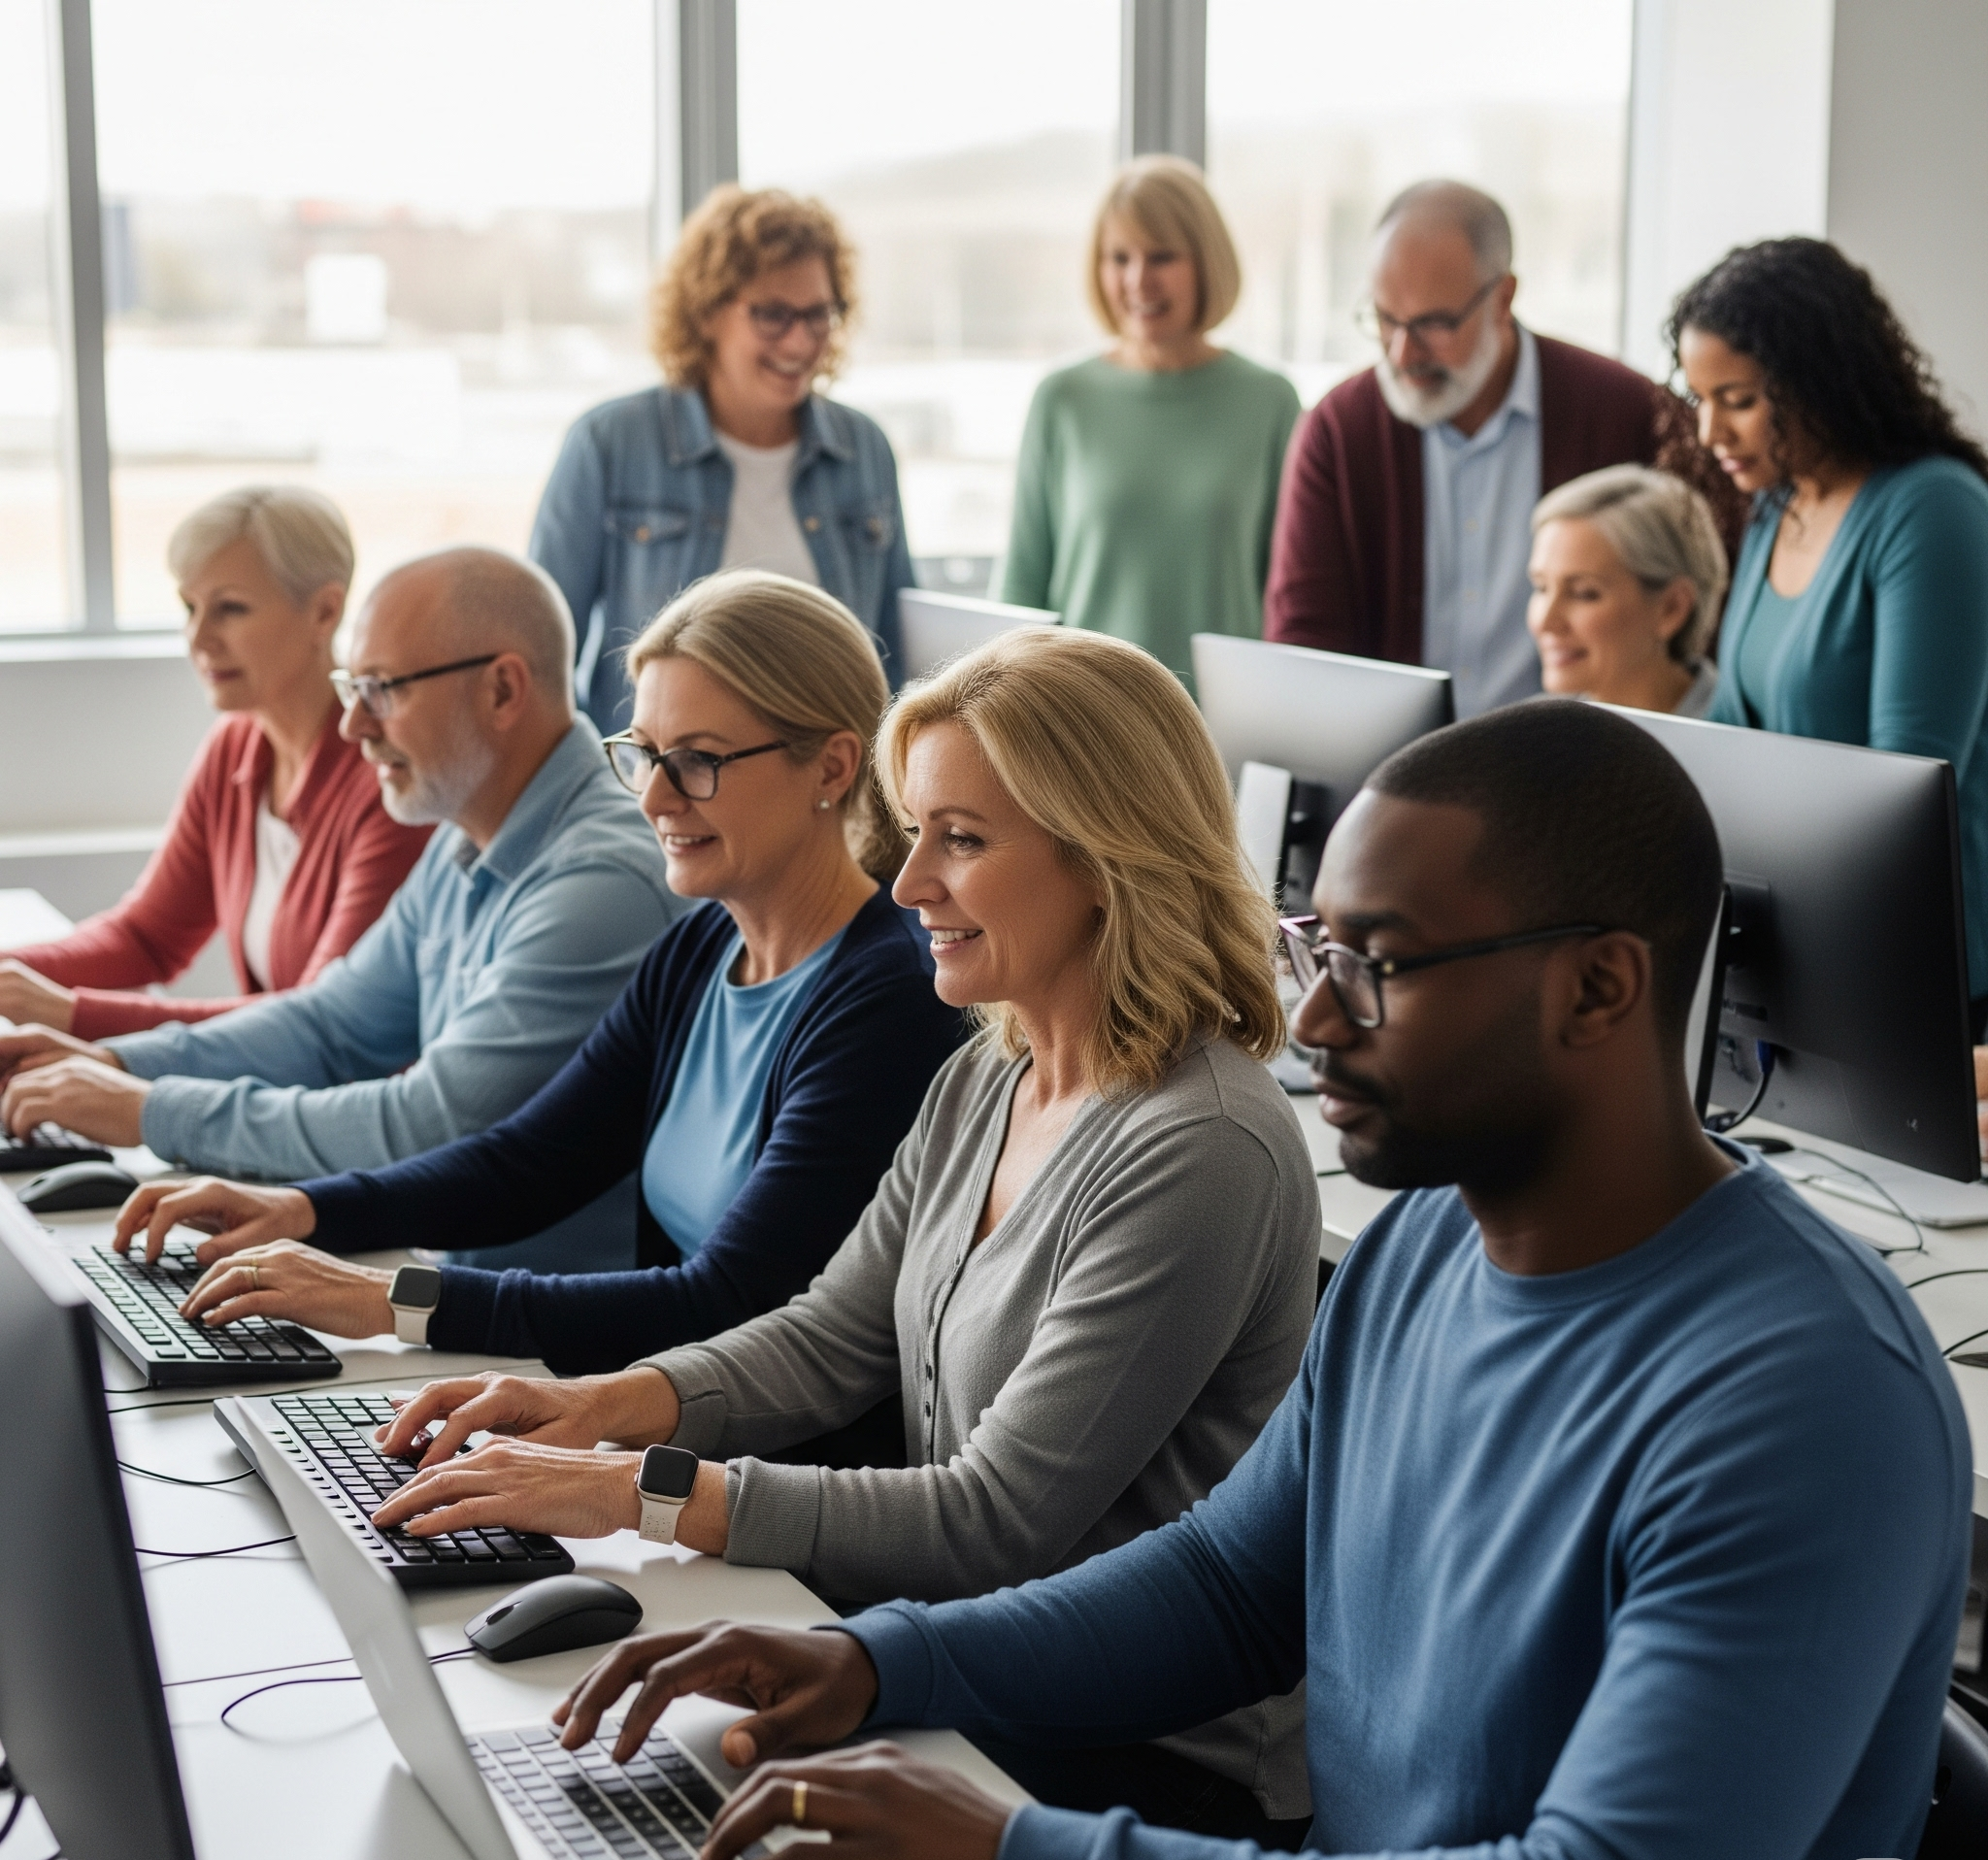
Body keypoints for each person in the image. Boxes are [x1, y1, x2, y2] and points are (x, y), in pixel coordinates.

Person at [539, 699, 1968, 1860]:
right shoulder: (1427, 1245)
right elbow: (1230, 1587)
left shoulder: (1801, 1400)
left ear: (1596, 990)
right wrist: (873, 1665)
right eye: (1320, 951)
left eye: (1383, 968)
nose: (1314, 1018)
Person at [336, 628, 1323, 1843]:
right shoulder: (990, 1070)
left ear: (1107, 854)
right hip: (958, 1665)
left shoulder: (1198, 1141)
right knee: (554, 1777)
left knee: (635, 1810)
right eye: (915, 836)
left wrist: (632, 1489)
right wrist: (600, 1405)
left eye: (960, 839)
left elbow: (991, 1517)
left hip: (1141, 1756)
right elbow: (829, 1336)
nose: (908, 887)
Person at [111, 572, 962, 1379]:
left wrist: (393, 1300)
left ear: (833, 767)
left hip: (762, 1481)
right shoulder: (701, 949)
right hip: (663, 1429)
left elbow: (727, 1301)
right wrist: (305, 1211)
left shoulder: (883, 996)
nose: (656, 801)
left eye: (697, 761)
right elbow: (527, 1162)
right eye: (644, 754)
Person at [0, 548, 679, 1274]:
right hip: (454, 1299)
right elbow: (331, 1025)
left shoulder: (599, 880)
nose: (353, 726)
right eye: (351, 687)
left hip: (554, 1351)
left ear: (502, 690)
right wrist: (112, 1063)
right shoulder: (467, 833)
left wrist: (148, 1107)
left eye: (382, 689)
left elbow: (427, 1125)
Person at [1265, 180, 1731, 717]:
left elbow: (1703, 606)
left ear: (1503, 298)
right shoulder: (1340, 428)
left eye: (1434, 324)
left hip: (1589, 769)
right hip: (1394, 776)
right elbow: (1302, 643)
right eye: (1385, 319)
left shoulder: (1633, 411)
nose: (1402, 352)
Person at [1673, 236, 1988, 1023]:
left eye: (1738, 400)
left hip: (1922, 966)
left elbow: (1906, 786)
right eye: (1697, 398)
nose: (1711, 433)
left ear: (1821, 381)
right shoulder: (1780, 504)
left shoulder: (1932, 507)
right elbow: (1728, 735)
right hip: (1805, 942)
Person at [0, 486, 430, 1038]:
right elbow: (147, 939)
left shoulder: (387, 780)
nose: (198, 638)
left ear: (325, 611)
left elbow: (321, 1022)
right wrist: (12, 979)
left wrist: (67, 1015)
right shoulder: (235, 748)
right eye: (190, 607)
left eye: (230, 609)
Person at [530, 184, 914, 737]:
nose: (801, 341)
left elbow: (896, 652)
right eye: (773, 315)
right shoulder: (610, 444)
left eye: (819, 315)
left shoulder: (863, 448)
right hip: (656, 790)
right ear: (707, 312)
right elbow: (545, 651)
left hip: (831, 792)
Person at [999, 156, 1301, 696]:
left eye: (1162, 256)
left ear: (1206, 263)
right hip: (1081, 725)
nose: (1138, 280)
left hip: (1221, 732)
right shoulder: (1062, 400)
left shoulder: (1269, 402)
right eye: (1119, 258)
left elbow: (1289, 600)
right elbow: (1020, 591)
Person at [1528, 465, 1729, 715]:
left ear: (1671, 608)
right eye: (1541, 588)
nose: (1546, 622)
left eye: (1584, 593)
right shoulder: (1525, 735)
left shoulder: (1747, 736)